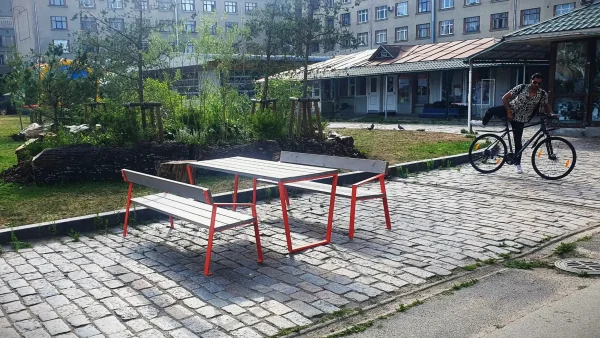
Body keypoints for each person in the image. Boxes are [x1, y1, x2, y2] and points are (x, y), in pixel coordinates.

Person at [471, 73, 552, 174]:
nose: (536, 84)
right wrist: (509, 111)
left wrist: (551, 113)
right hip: (510, 110)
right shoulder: (521, 87)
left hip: (521, 118)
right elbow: (505, 98)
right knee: (490, 110)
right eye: (535, 82)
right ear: (531, 80)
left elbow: (546, 104)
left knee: (518, 143)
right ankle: (483, 123)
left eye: (539, 83)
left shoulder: (542, 94)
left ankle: (517, 164)